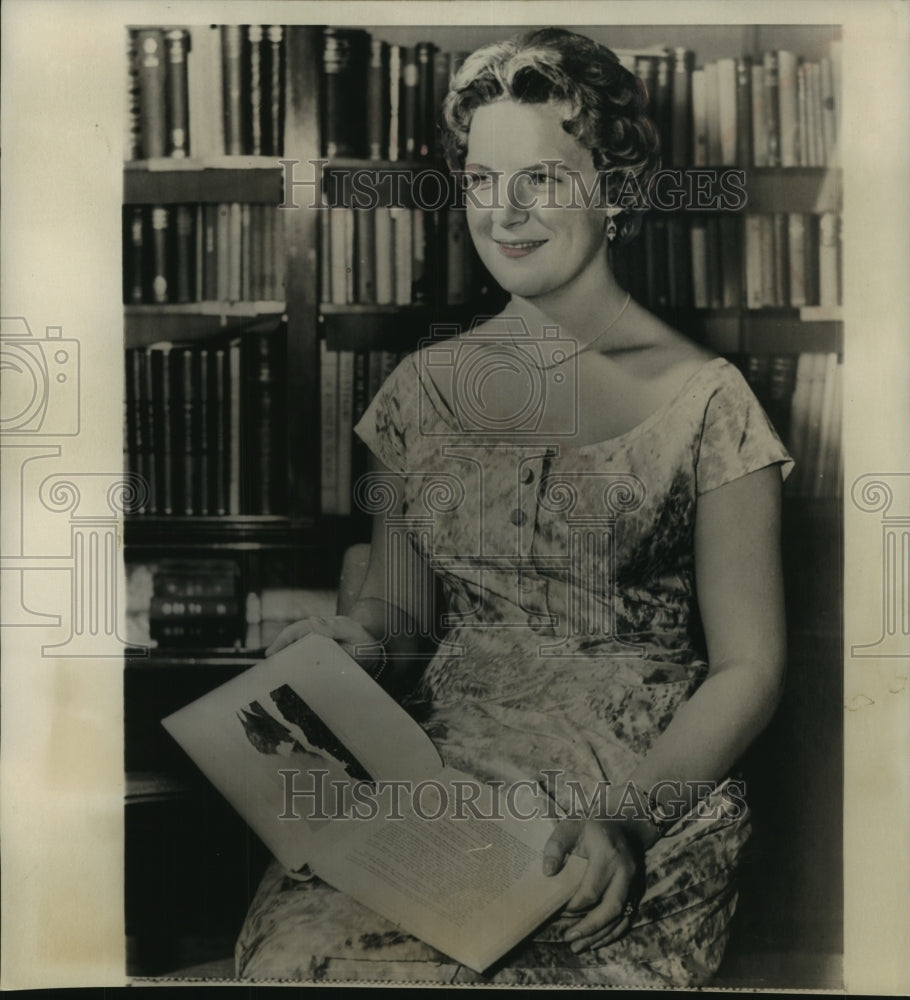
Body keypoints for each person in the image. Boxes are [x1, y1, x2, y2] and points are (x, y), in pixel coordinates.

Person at [234, 27, 792, 986]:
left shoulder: (709, 402)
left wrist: (631, 819)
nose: (505, 212)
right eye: (483, 180)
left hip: (632, 799)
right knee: (300, 961)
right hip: (438, 782)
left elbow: (751, 667)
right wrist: (352, 645)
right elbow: (400, 616)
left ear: (615, 188)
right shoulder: (422, 390)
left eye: (541, 178)